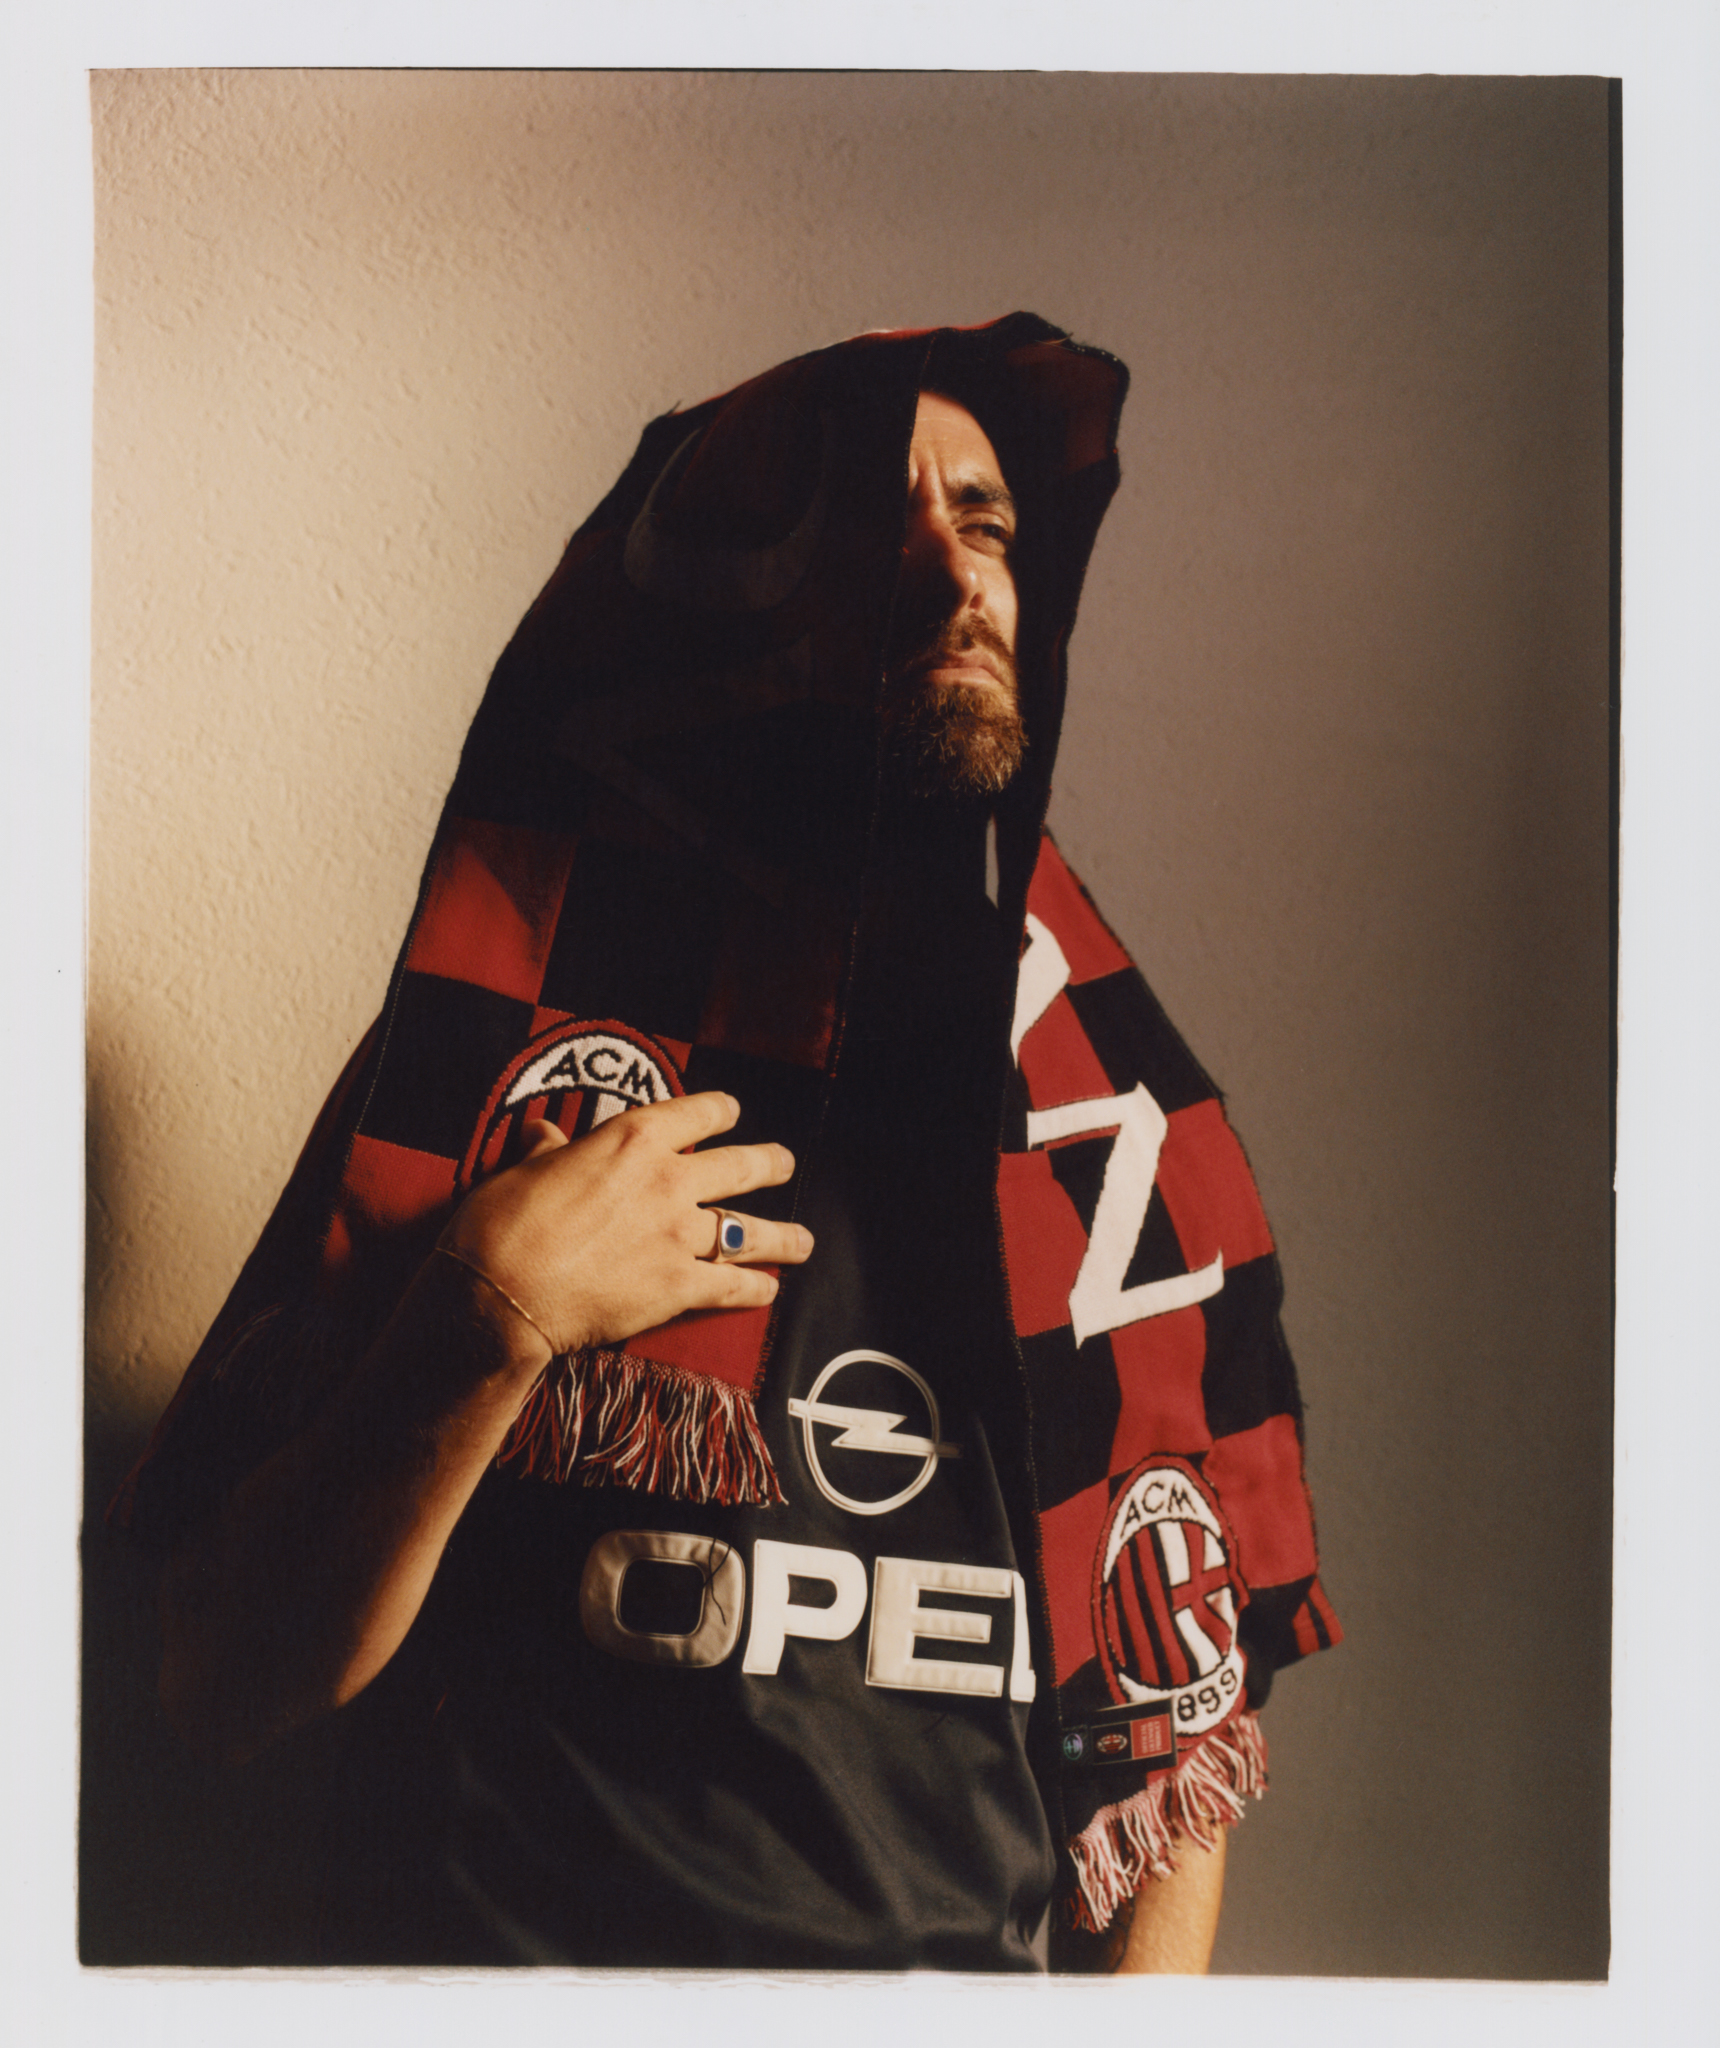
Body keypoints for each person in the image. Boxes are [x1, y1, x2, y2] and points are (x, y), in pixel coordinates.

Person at [113, 315, 1339, 1973]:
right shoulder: (498, 1071)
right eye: (870, 522)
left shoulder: (1123, 1143)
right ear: (709, 607)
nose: (953, 573)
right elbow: (217, 1686)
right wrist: (485, 1315)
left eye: (986, 522)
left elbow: (1174, 1747)